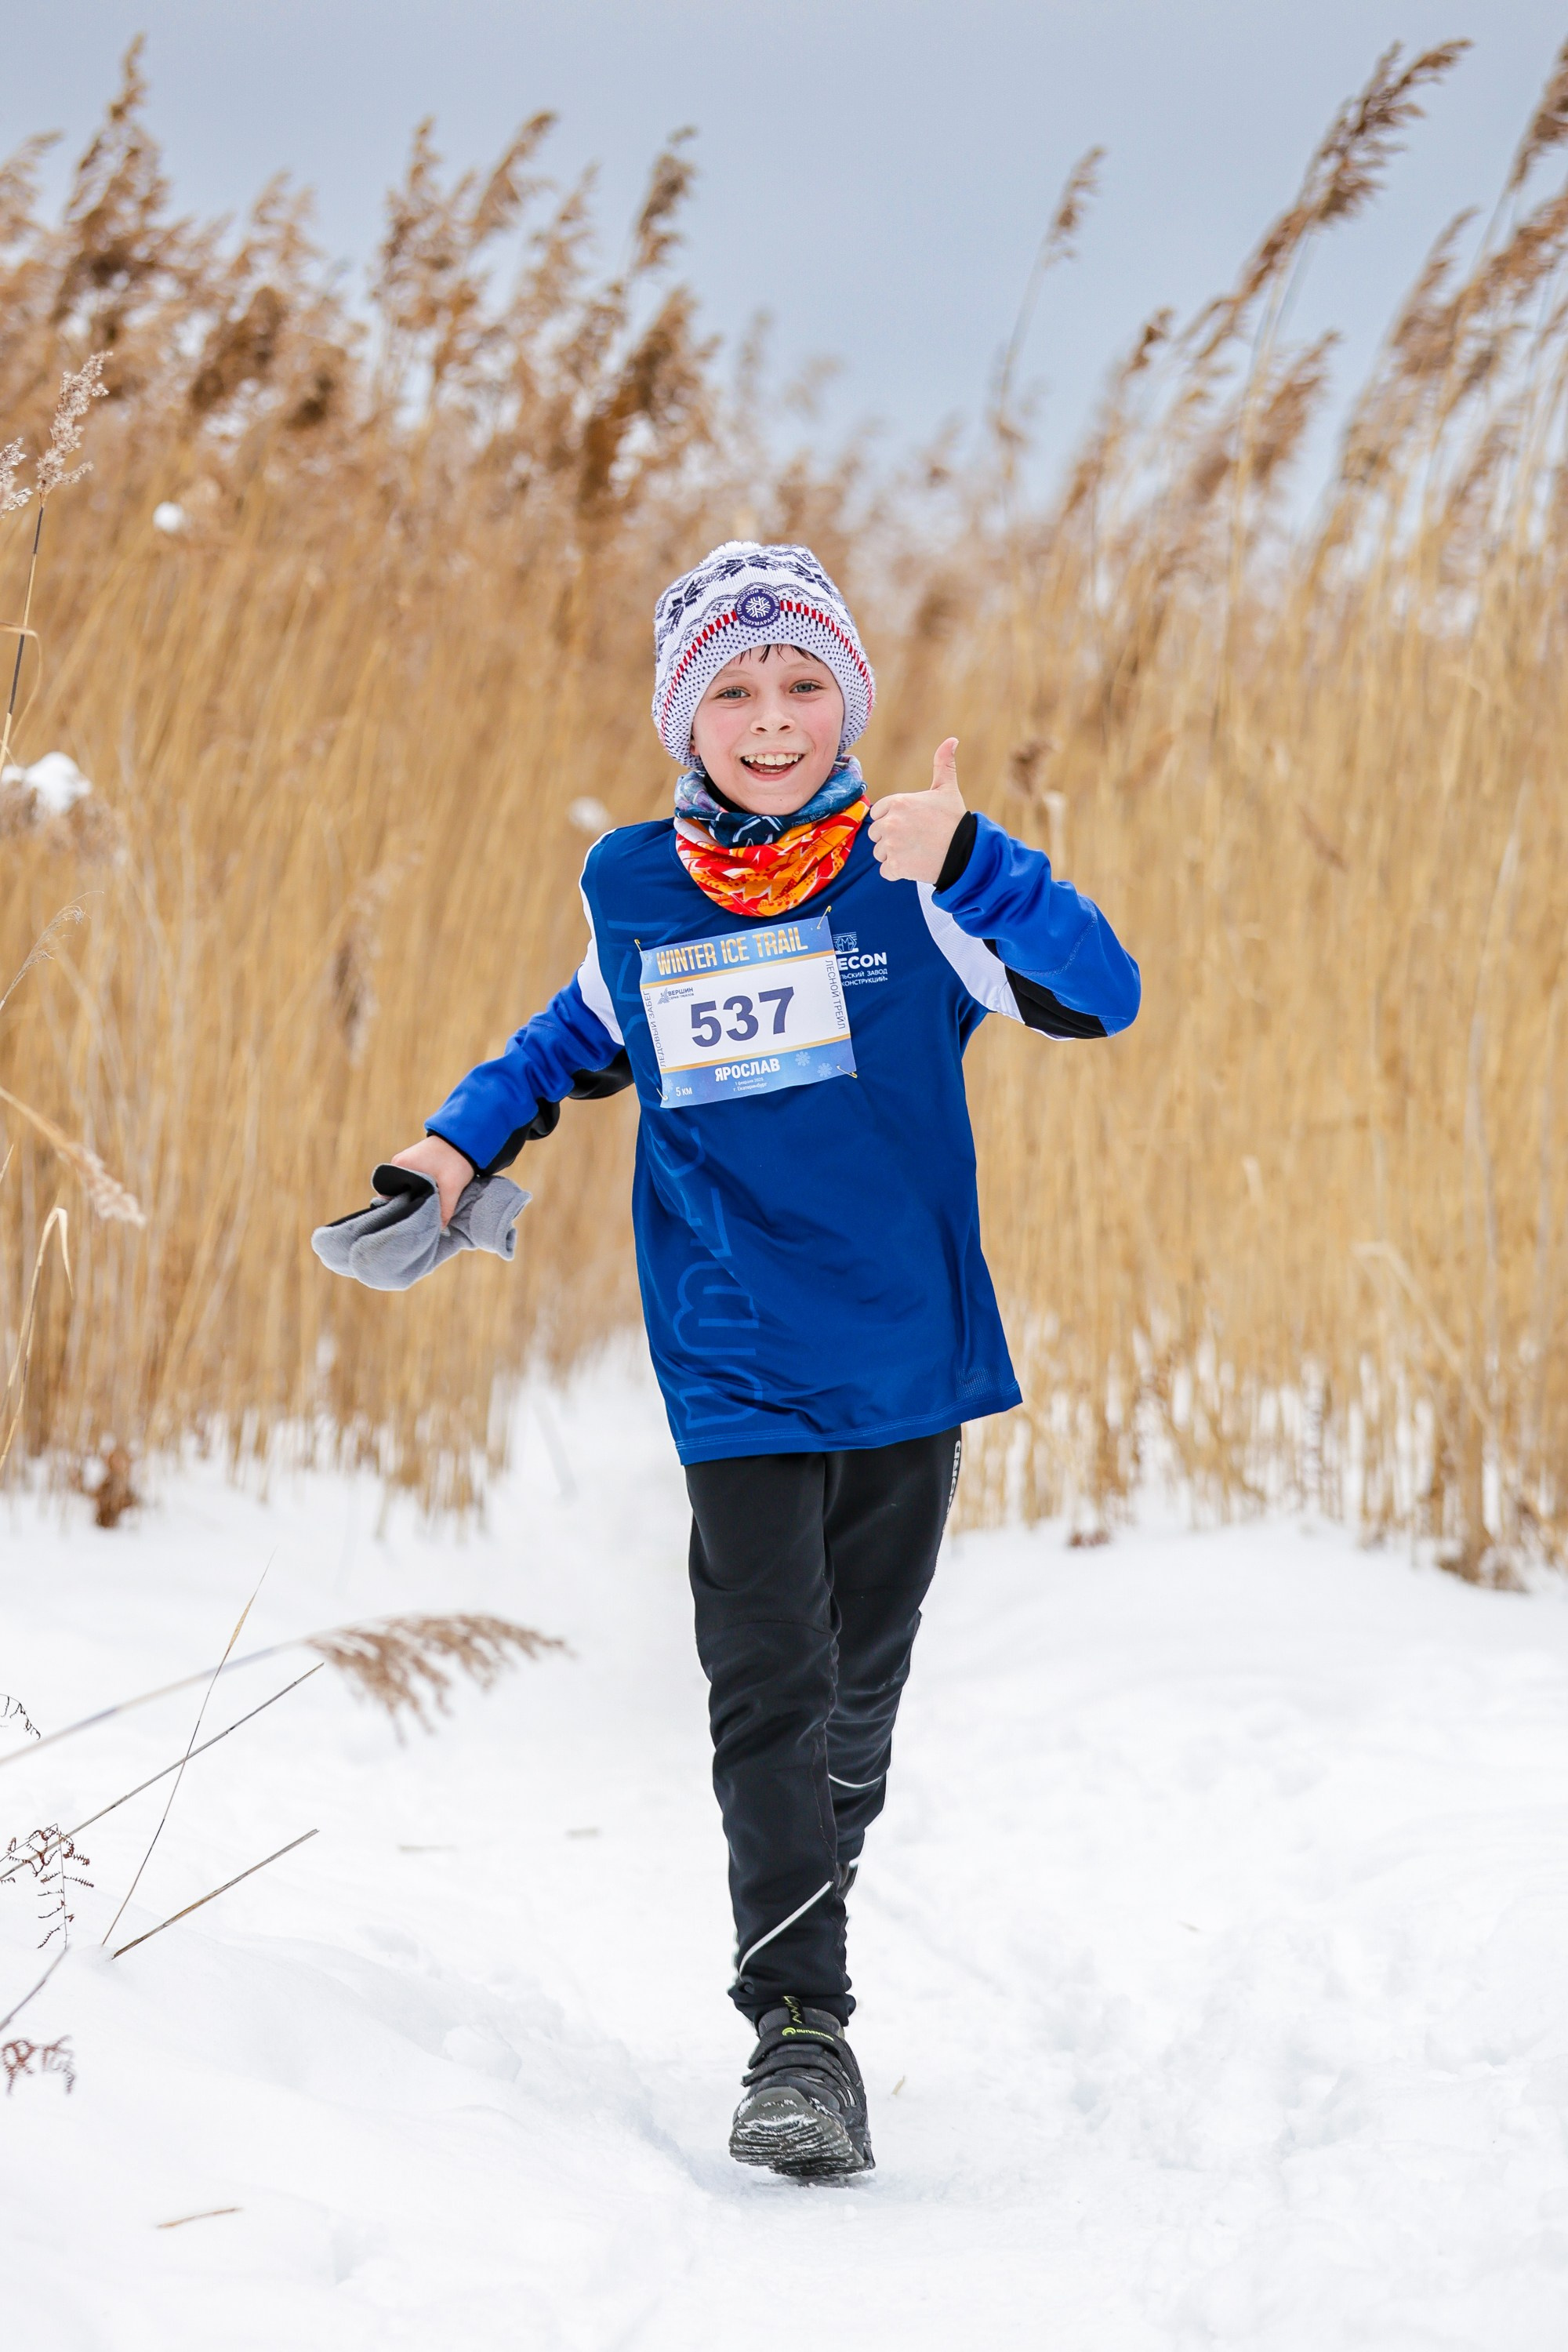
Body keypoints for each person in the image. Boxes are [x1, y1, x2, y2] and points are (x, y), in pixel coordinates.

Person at [386, 541, 1141, 2180]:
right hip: (727, 1348)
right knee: (767, 1689)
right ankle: (800, 2035)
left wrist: (979, 862)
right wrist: (448, 1153)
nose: (771, 716)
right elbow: (570, 1040)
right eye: (731, 690)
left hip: (902, 1351)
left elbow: (1105, 994)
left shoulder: (913, 875)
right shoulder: (635, 888)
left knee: (853, 1696)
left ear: (845, 701)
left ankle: (822, 1842)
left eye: (801, 682)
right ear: (687, 719)